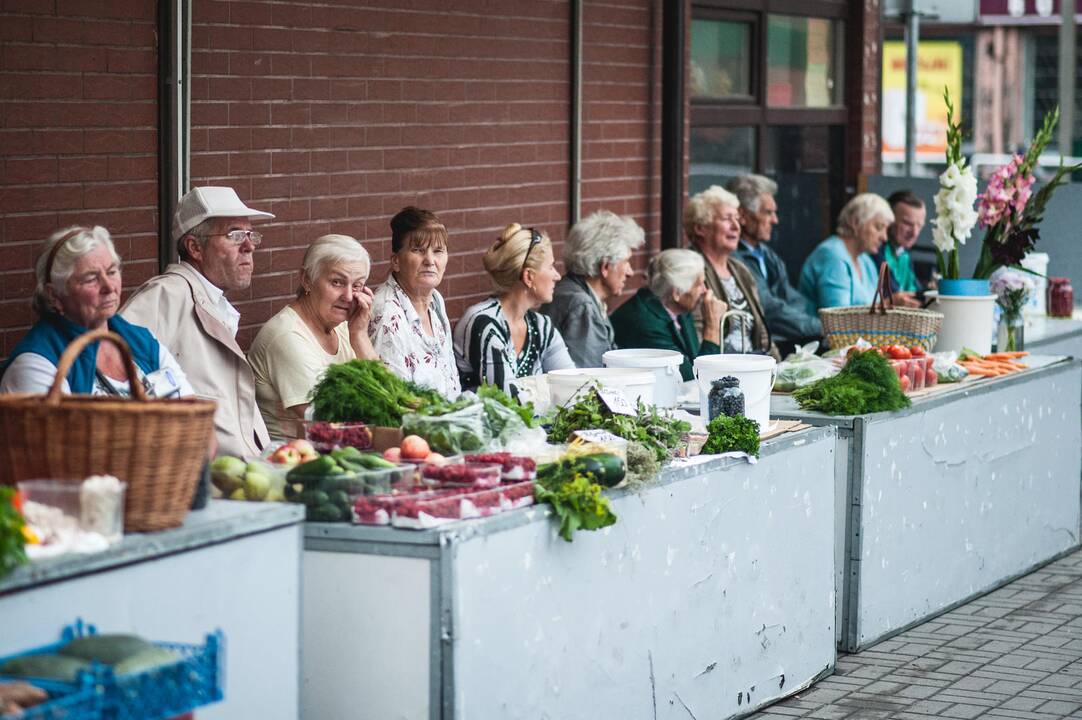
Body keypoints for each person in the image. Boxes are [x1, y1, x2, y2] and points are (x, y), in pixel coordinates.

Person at [122, 186, 273, 458]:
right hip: (201, 480)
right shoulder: (165, 295)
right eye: (235, 235)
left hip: (241, 476)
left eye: (251, 235)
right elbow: (115, 378)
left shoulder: (212, 300)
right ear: (194, 247)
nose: (249, 246)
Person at [1, 225, 193, 399]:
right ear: (54, 295)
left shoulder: (142, 341)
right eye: (91, 278)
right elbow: (63, 437)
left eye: (111, 272)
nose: (109, 287)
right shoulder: (37, 363)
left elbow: (193, 414)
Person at [248, 234, 378, 441]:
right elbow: (330, 423)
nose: (348, 296)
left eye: (357, 285)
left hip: (344, 453)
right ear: (307, 279)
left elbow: (389, 397)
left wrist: (360, 335)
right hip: (297, 463)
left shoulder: (345, 327)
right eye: (337, 282)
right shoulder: (287, 336)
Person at [453, 223, 575, 393]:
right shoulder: (484, 323)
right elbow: (507, 399)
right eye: (550, 267)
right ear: (528, 276)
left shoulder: (542, 327)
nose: (557, 276)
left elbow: (573, 384)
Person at [368, 207, 461, 398]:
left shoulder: (435, 299)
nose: (429, 260)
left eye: (438, 251)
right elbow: (397, 400)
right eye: (417, 250)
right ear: (396, 261)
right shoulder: (387, 313)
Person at [727, 175, 822, 353]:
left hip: (784, 340)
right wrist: (822, 328)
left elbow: (794, 299)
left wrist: (819, 324)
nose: (775, 220)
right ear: (744, 215)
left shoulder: (767, 254)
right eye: (768, 212)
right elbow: (769, 309)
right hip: (759, 349)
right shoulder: (733, 257)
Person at [539, 210, 645, 367]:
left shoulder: (573, 292)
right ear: (605, 267)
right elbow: (587, 378)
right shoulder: (581, 305)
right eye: (626, 262)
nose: (630, 272)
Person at [684, 185, 779, 359]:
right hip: (721, 371)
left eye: (737, 218)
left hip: (753, 365)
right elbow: (695, 336)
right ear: (701, 228)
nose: (736, 226)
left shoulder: (740, 270)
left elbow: (762, 332)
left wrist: (777, 367)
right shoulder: (691, 272)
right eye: (727, 219)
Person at [609, 249, 724, 381]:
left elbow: (695, 364)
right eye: (699, 284)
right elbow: (694, 380)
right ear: (677, 293)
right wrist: (712, 326)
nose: (705, 290)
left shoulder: (679, 309)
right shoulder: (646, 324)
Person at [798, 192, 919, 313]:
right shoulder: (833, 256)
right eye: (878, 227)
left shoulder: (865, 260)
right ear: (856, 223)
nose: (884, 238)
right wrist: (889, 303)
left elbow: (874, 305)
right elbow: (838, 320)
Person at [873, 190, 926, 295]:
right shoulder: (875, 249)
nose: (915, 233)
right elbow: (893, 292)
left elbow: (915, 290)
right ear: (888, 220)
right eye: (907, 223)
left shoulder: (903, 253)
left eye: (919, 226)